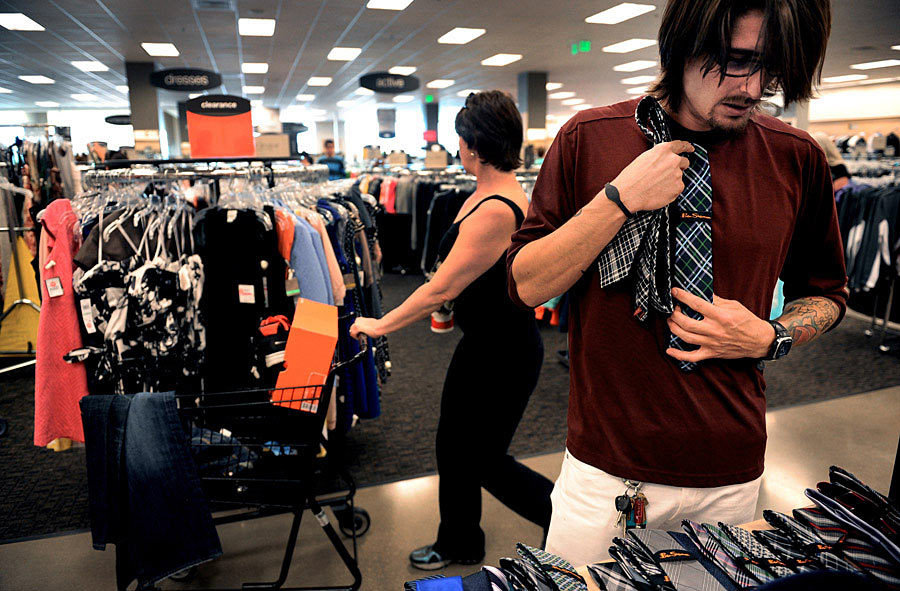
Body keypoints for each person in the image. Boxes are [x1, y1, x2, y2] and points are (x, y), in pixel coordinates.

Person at [508, 0, 847, 566]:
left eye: (769, 66)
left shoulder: (795, 157)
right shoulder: (589, 138)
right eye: (735, 61)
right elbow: (525, 286)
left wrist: (771, 336)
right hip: (604, 475)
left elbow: (828, 293)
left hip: (729, 474)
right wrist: (618, 200)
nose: (752, 86)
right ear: (683, 44)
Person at [350, 91, 553, 570]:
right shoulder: (483, 193)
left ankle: (564, 519)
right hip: (482, 343)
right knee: (453, 446)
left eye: (460, 140)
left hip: (505, 351)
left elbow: (440, 288)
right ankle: (460, 541)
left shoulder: (498, 208)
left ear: (474, 146)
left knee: (483, 458)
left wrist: (380, 325)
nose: (457, 149)